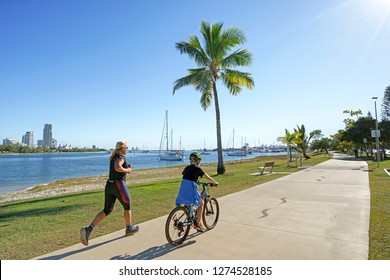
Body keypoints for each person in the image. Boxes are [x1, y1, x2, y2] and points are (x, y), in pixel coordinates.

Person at [80, 140, 139, 246]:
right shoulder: (121, 157)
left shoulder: (113, 157)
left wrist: (125, 168)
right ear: (122, 148)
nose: (127, 150)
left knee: (106, 210)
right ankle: (129, 228)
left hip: (110, 185)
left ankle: (88, 230)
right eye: (126, 148)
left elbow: (116, 168)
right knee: (128, 205)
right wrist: (128, 170)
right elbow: (117, 167)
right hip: (119, 185)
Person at [175, 152, 218, 232]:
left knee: (188, 203)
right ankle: (197, 224)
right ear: (197, 161)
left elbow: (188, 177)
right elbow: (206, 177)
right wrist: (214, 182)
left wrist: (196, 180)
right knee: (201, 204)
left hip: (183, 188)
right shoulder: (198, 169)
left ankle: (189, 216)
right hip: (191, 188)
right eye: (199, 160)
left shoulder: (186, 168)